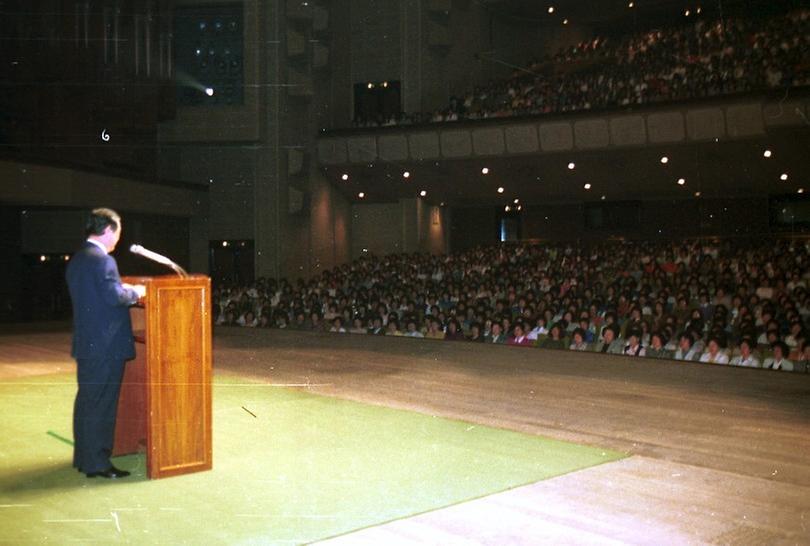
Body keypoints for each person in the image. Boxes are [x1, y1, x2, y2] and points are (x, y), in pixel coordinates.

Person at [66, 208, 146, 479]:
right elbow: (113, 296)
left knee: (88, 403)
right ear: (109, 230)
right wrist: (135, 292)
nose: (119, 239)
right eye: (119, 232)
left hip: (88, 344)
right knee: (102, 405)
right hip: (106, 346)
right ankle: (99, 463)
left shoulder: (78, 258)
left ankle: (85, 459)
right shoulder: (103, 261)